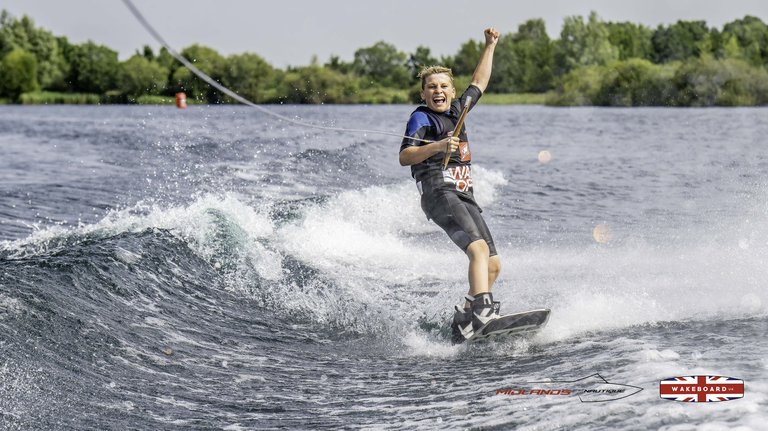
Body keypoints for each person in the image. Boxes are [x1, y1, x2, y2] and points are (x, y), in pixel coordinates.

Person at [399, 28, 501, 344]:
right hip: (437, 192)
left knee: (493, 266)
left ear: (453, 92)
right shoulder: (421, 118)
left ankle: (466, 319)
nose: (438, 91)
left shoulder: (460, 109)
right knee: (478, 250)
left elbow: (480, 82)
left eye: (444, 86)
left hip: (463, 195)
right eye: (431, 87)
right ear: (423, 94)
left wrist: (489, 46)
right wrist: (437, 147)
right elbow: (405, 156)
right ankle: (483, 312)